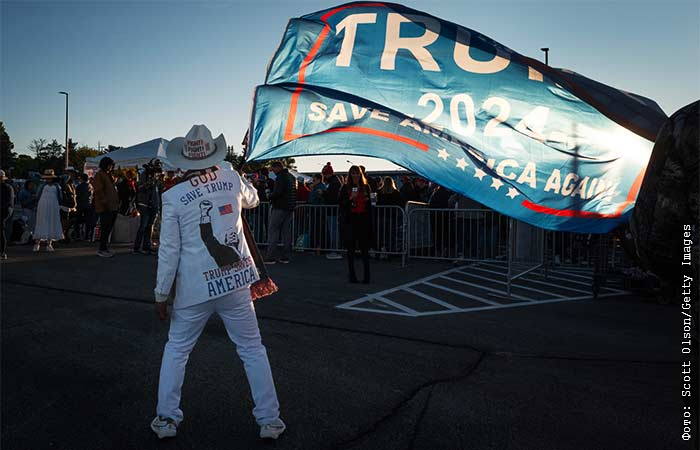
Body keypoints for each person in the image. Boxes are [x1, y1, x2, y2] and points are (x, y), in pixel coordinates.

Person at [152, 124, 284, 441]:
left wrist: (161, 293)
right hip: (236, 281)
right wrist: (233, 173)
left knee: (177, 349)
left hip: (194, 287)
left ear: (185, 158)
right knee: (252, 349)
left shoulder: (172, 195)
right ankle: (270, 420)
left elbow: (169, 251)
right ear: (214, 154)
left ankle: (167, 418)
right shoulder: (231, 178)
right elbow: (253, 200)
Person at [339, 165, 374, 283]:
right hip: (351, 221)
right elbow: (341, 204)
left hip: (363, 220)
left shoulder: (366, 187)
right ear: (350, 175)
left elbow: (370, 205)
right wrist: (350, 198)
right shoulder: (345, 188)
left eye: (357, 173)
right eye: (353, 173)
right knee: (351, 250)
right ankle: (352, 275)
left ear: (360, 174)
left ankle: (367, 276)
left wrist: (370, 201)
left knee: (364, 250)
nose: (355, 175)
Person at [264, 161, 297, 264]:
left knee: (273, 230)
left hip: (280, 207)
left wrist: (269, 195)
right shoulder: (291, 176)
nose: (273, 171)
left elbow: (278, 193)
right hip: (290, 207)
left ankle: (270, 257)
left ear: (278, 167)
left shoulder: (281, 177)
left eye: (273, 169)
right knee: (286, 232)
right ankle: (286, 256)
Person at [133, 159, 162, 254]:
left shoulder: (157, 175)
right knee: (143, 226)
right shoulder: (144, 174)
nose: (157, 169)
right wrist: (150, 182)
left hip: (154, 203)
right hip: (145, 204)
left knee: (150, 226)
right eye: (156, 166)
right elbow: (140, 188)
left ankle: (146, 246)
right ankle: (137, 247)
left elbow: (159, 189)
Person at [92, 157, 119, 258]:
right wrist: (104, 203)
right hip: (106, 207)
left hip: (113, 206)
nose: (111, 167)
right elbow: (99, 191)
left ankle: (105, 248)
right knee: (105, 228)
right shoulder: (99, 175)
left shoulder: (108, 175)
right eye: (110, 165)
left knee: (108, 229)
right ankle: (102, 249)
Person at [33, 169, 63, 252]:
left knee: (52, 223)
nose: (48, 179)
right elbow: (37, 195)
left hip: (53, 206)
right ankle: (37, 243)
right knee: (41, 222)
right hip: (43, 205)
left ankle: (49, 244)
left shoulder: (57, 186)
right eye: (47, 177)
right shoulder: (42, 185)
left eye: (50, 177)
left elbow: (60, 197)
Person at [323, 174, 343, 259]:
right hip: (334, 211)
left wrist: (323, 194)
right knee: (334, 231)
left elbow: (331, 198)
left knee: (333, 231)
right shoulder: (336, 183)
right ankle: (335, 250)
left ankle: (334, 250)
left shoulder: (333, 185)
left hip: (332, 211)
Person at [59, 167, 77, 242]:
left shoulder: (71, 183)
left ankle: (65, 235)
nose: (72, 174)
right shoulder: (63, 181)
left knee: (69, 222)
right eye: (70, 172)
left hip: (71, 206)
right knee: (64, 222)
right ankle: (62, 236)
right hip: (64, 206)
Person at [75, 174, 94, 241]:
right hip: (89, 205)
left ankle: (78, 235)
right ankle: (87, 236)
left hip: (80, 206)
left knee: (77, 221)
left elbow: (77, 196)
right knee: (88, 222)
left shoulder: (79, 186)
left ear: (82, 179)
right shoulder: (91, 186)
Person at [0, 170, 14, 259]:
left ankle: (2, 252)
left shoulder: (7, 188)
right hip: (6, 210)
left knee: (1, 231)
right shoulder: (8, 187)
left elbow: (8, 202)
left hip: (4, 211)